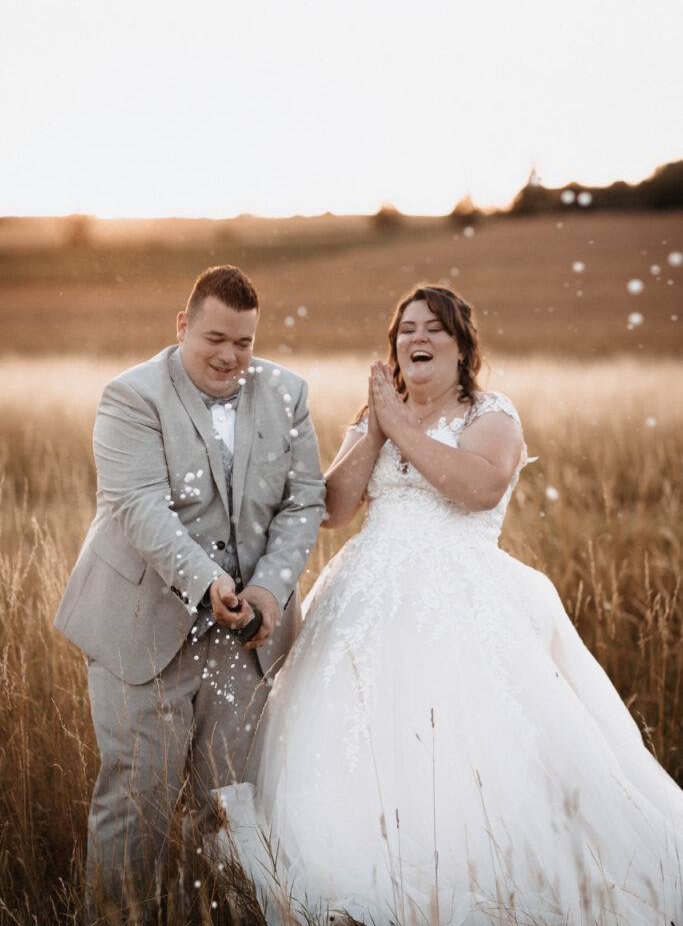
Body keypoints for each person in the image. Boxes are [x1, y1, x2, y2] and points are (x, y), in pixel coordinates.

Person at [214, 285, 683, 925]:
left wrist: (401, 427)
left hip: (460, 601)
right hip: (363, 603)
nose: (419, 339)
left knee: (462, 748)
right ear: (394, 346)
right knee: (349, 746)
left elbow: (480, 490)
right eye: (407, 329)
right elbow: (335, 508)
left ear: (462, 348)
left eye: (435, 329)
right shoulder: (378, 415)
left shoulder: (491, 415)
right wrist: (375, 430)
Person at [53, 265, 326, 917]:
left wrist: (268, 587)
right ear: (182, 326)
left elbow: (304, 501)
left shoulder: (288, 395)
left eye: (245, 343)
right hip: (139, 632)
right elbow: (138, 505)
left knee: (230, 806)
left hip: (244, 642)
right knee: (136, 803)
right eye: (215, 339)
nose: (230, 356)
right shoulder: (131, 395)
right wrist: (209, 585)